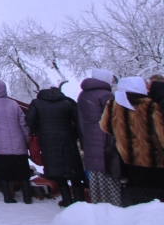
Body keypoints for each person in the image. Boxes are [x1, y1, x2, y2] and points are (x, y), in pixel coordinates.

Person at [99, 76, 164, 206]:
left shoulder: (113, 105)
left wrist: (122, 134)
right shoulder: (150, 105)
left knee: (137, 194)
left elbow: (104, 126)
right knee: (157, 195)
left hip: (128, 158)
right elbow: (161, 133)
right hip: (153, 160)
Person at [25, 86, 85, 207]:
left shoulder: (37, 103)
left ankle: (67, 199)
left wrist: (38, 129)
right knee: (73, 168)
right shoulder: (67, 103)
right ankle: (79, 199)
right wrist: (75, 134)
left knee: (57, 170)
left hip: (48, 140)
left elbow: (29, 121)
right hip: (67, 138)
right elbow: (78, 121)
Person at [76, 69, 120, 206]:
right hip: (105, 138)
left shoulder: (83, 95)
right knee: (109, 170)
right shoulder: (106, 95)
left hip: (89, 137)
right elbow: (112, 120)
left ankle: (98, 202)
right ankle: (114, 203)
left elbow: (81, 120)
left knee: (96, 172)